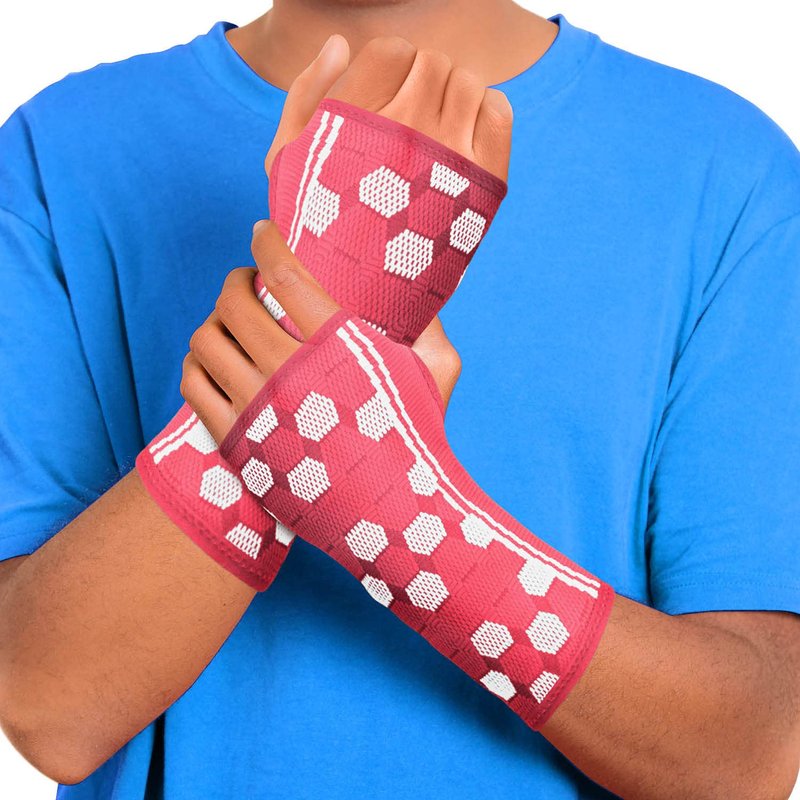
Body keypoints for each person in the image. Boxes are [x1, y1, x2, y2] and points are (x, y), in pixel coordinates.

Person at [1, 2, 799, 799]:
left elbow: (747, 758)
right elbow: (48, 708)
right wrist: (327, 309)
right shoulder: (59, 152)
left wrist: (391, 499)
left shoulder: (727, 172)